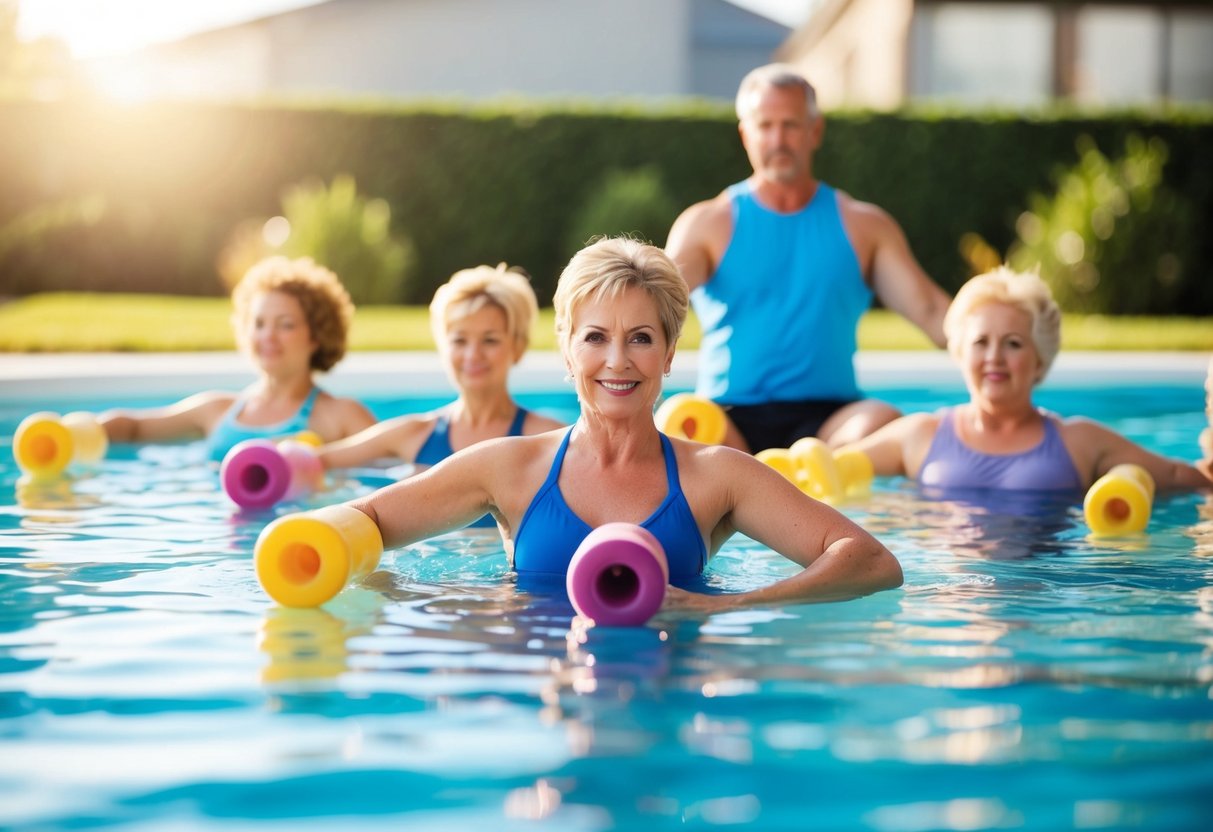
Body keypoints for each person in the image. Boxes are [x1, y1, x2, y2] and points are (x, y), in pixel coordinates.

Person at [337, 237, 902, 611]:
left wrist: (731, 604)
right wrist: (454, 605)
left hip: (674, 714)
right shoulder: (508, 467)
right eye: (595, 338)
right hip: (548, 701)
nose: (617, 362)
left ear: (670, 353)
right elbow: (364, 520)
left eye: (641, 338)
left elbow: (872, 561)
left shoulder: (717, 476)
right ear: (566, 349)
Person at [665, 63, 951, 453]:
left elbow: (932, 311)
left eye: (791, 125)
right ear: (745, 134)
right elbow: (653, 303)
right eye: (765, 126)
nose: (778, 139)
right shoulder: (706, 224)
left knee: (885, 420)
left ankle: (810, 477)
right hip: (728, 421)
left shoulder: (864, 225)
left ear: (815, 131)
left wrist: (999, 342)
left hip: (833, 428)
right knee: (681, 419)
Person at [839, 266, 1213, 492]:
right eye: (981, 342)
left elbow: (1184, 478)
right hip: (948, 601)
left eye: (1013, 343)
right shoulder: (918, 434)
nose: (994, 358)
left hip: (1043, 595)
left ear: (1039, 359)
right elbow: (825, 470)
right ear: (960, 352)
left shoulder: (1080, 441)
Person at [316, 263, 564, 526]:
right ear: (443, 347)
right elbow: (318, 461)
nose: (472, 355)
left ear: (518, 346)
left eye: (490, 340)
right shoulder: (413, 434)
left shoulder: (548, 440)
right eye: (459, 341)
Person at [99, 256, 376, 459]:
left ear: (317, 335)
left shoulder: (340, 416)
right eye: (259, 324)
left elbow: (397, 465)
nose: (268, 336)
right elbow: (134, 428)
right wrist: (76, 432)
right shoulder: (216, 410)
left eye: (286, 324)